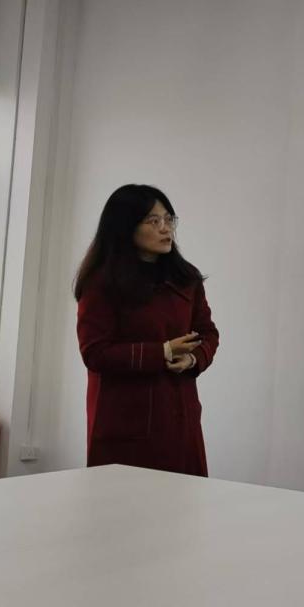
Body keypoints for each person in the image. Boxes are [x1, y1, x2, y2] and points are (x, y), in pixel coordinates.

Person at [74, 184, 219, 476]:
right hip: (125, 421)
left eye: (169, 219)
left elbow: (208, 333)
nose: (166, 228)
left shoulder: (186, 278)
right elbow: (95, 352)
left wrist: (194, 358)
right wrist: (161, 352)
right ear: (125, 227)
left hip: (180, 416)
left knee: (183, 500)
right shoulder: (102, 283)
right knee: (125, 500)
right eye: (154, 221)